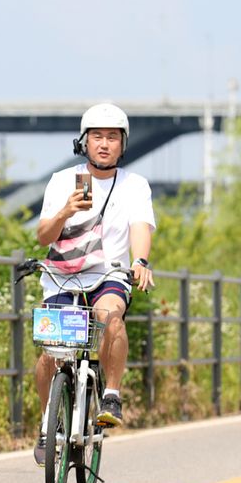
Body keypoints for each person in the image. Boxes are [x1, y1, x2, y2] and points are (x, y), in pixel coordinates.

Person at [33, 102, 155, 463]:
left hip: (109, 275)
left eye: (112, 137)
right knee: (49, 353)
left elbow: (140, 228)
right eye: (97, 137)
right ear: (83, 142)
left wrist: (141, 261)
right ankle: (47, 422)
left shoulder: (135, 186)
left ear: (123, 143)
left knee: (109, 315)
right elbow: (43, 236)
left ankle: (112, 395)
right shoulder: (63, 181)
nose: (104, 144)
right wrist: (65, 211)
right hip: (61, 276)